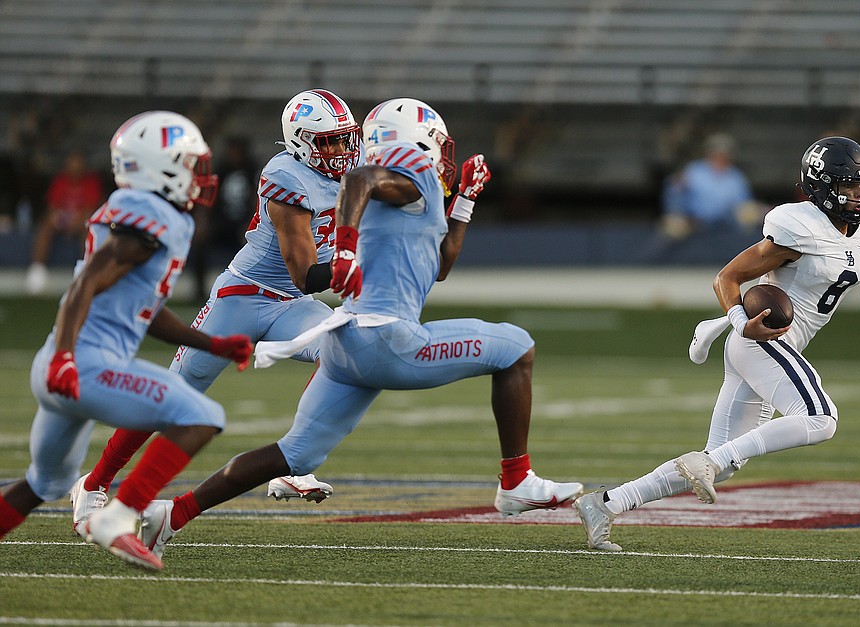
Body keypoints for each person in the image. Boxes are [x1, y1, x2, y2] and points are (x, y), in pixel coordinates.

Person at [134, 97, 583, 559]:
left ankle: (171, 514)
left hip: (346, 345)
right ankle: (516, 480)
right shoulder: (404, 166)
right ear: (419, 142)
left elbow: (441, 264)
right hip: (389, 339)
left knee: (294, 455)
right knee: (517, 347)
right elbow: (359, 178)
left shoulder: (405, 190)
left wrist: (465, 200)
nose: (443, 157)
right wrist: (345, 249)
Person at [576, 136, 860, 551]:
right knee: (820, 418)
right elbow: (727, 278)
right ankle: (707, 461)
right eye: (848, 186)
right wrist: (740, 322)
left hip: (770, 350)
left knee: (723, 462)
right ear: (822, 186)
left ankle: (605, 504)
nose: (859, 195)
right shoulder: (797, 226)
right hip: (759, 340)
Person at [67, 90, 363, 535]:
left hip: (290, 306)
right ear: (300, 141)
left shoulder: (351, 173)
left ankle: (295, 460)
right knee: (172, 397)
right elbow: (306, 274)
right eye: (329, 142)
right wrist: (357, 260)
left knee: (344, 347)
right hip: (244, 297)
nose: (341, 151)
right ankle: (95, 481)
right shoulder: (286, 175)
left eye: (345, 140)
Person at [0, 111, 253, 571]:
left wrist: (211, 344)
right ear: (162, 166)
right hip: (85, 365)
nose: (200, 175)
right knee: (202, 415)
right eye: (190, 163)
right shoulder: (152, 215)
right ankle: (118, 515)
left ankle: (111, 512)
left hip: (60, 367)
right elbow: (86, 285)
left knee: (44, 483)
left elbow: (143, 309)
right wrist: (67, 358)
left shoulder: (138, 209)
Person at [188, 136, 260, 302]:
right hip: (223, 221)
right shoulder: (222, 169)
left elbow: (255, 199)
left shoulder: (252, 170)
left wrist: (251, 222)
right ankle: (199, 291)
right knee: (201, 243)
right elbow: (210, 198)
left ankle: (249, 289)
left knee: (252, 245)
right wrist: (203, 221)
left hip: (244, 222)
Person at [25, 150, 105, 294]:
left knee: (90, 228)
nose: (75, 166)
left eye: (78, 163)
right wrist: (57, 217)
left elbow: (91, 209)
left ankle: (87, 270)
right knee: (45, 225)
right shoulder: (60, 180)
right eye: (72, 163)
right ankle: (37, 269)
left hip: (82, 221)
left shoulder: (91, 182)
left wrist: (77, 221)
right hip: (63, 219)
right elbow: (52, 206)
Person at [660, 133, 754, 239]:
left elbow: (745, 203)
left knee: (749, 215)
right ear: (710, 153)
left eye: (725, 152)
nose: (721, 155)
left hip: (726, 222)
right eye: (717, 152)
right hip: (693, 221)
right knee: (673, 227)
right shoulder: (694, 170)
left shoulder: (736, 177)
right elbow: (674, 192)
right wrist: (676, 213)